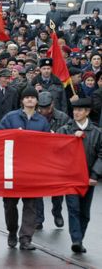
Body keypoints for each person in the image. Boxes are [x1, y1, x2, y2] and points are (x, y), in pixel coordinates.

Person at [0, 86, 50, 250]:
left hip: (33, 170)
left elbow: (47, 144)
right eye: (27, 97)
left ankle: (26, 238)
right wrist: (13, 133)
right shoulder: (10, 117)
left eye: (32, 97)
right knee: (10, 204)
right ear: (22, 100)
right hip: (12, 168)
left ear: (36, 101)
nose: (29, 100)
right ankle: (12, 230)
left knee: (31, 205)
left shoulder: (42, 121)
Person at [57, 98, 102, 253]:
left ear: (87, 112)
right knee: (73, 209)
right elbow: (57, 150)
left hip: (88, 178)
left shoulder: (97, 132)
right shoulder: (65, 130)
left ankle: (79, 239)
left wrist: (95, 175)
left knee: (85, 212)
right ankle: (76, 239)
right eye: (74, 110)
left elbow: (101, 155)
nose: (76, 113)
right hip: (70, 178)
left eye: (80, 110)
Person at [35, 91, 72, 230]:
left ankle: (57, 212)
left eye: (46, 107)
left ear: (52, 105)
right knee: (38, 190)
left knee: (57, 189)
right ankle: (38, 218)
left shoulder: (62, 118)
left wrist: (57, 136)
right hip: (39, 158)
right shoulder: (35, 117)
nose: (43, 110)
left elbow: (70, 134)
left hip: (57, 159)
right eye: (41, 107)